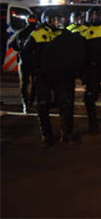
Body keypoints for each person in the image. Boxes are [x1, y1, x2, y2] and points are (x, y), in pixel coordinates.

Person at [21, 10, 64, 146]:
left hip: (58, 74)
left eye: (57, 20)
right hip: (43, 75)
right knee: (43, 104)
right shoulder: (37, 34)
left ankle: (65, 134)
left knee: (64, 104)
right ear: (46, 20)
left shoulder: (62, 34)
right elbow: (25, 54)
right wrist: (37, 67)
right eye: (52, 20)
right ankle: (47, 135)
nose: (55, 22)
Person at [11, 14, 38, 113]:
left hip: (23, 61)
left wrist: (22, 51)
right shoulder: (38, 32)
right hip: (35, 62)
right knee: (35, 83)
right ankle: (30, 102)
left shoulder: (20, 33)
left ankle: (25, 104)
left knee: (24, 83)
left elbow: (14, 46)